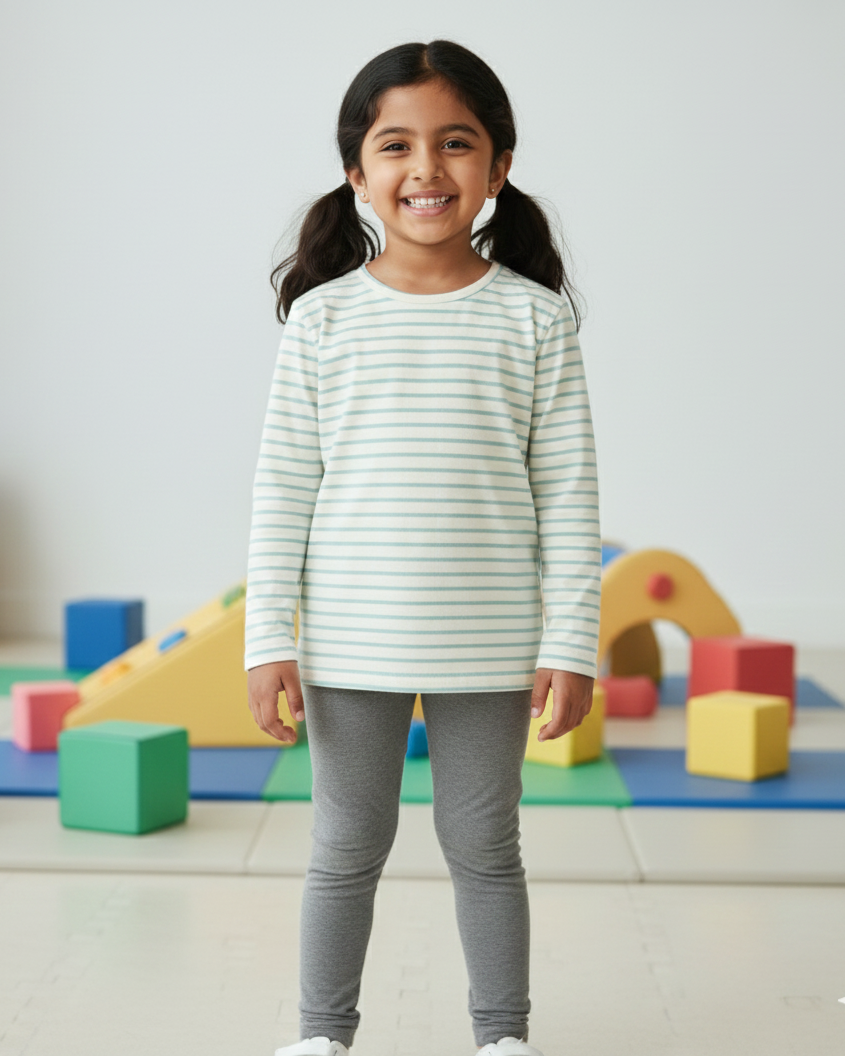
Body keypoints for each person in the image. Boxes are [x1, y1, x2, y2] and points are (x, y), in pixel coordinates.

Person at [244, 38, 601, 1056]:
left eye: (455, 142)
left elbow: (568, 496)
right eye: (395, 145)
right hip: (349, 643)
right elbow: (282, 490)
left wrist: (570, 643)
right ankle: (322, 1036)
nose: (426, 168)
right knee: (344, 845)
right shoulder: (321, 322)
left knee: (483, 845)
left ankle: (501, 1037)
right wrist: (267, 639)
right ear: (357, 173)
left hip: (489, 645)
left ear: (497, 165)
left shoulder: (535, 322)